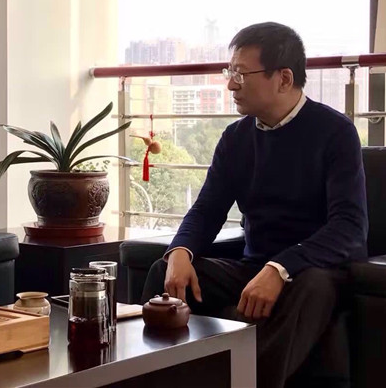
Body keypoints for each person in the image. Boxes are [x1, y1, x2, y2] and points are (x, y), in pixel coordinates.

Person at [141, 22, 367, 388]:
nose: (231, 85)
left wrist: (281, 268)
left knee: (312, 287)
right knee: (163, 273)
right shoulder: (236, 138)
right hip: (252, 269)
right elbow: (207, 210)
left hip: (317, 271)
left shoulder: (335, 133)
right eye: (229, 72)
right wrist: (180, 252)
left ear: (284, 78)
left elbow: (349, 228)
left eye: (241, 74)